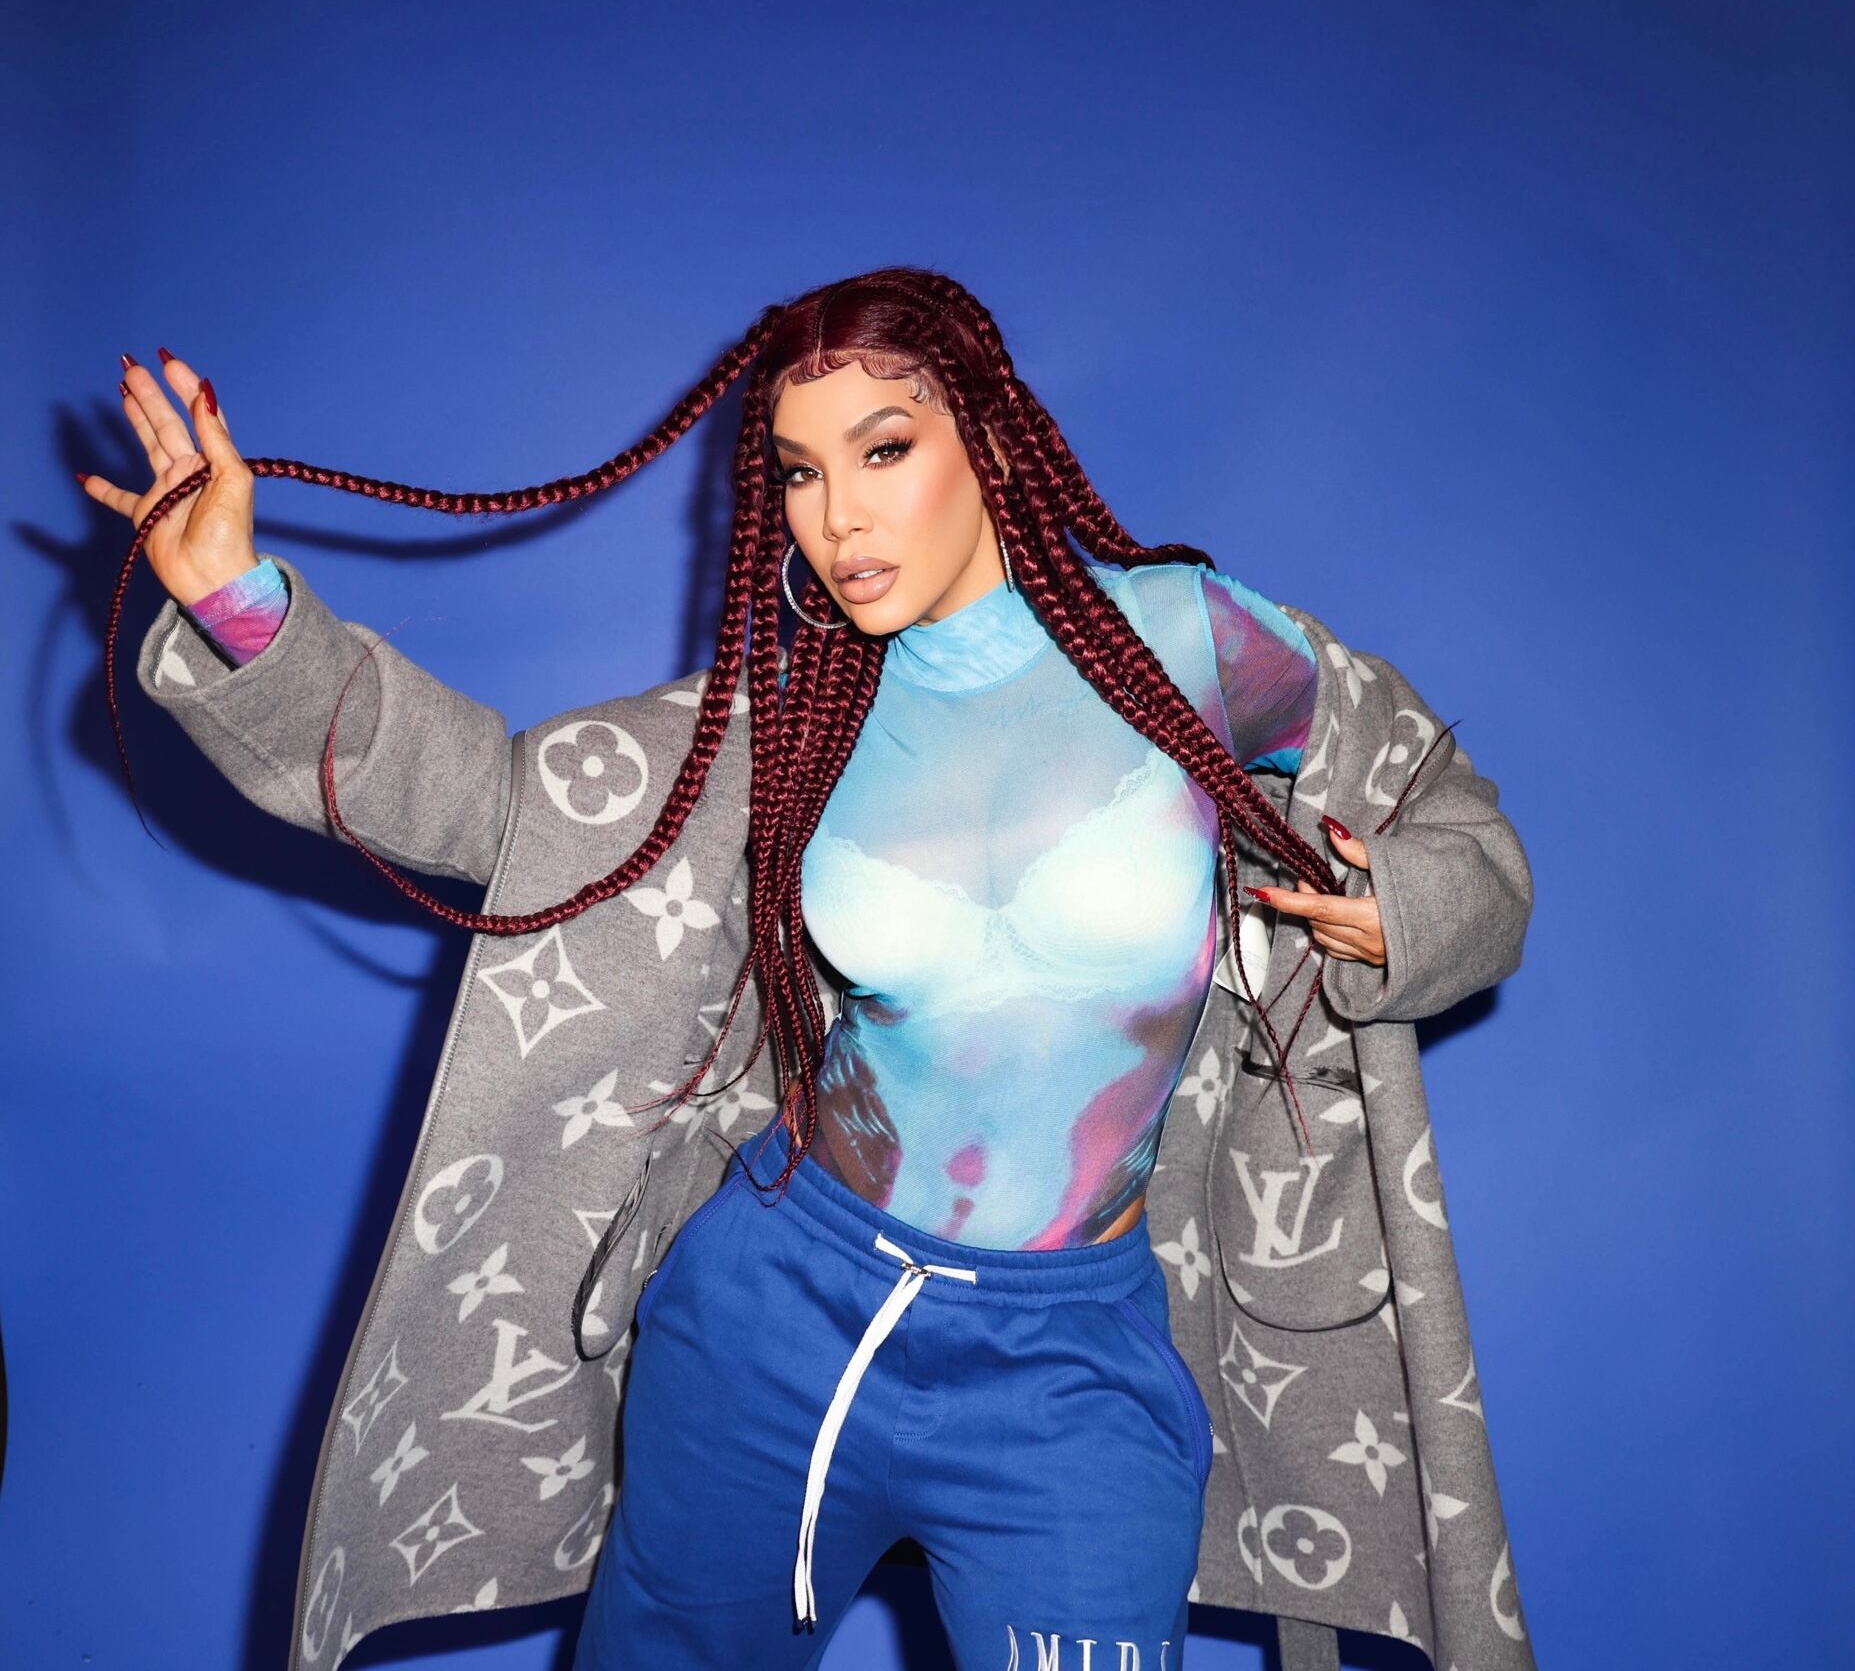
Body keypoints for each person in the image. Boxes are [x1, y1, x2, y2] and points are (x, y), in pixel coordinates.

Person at [86, 269, 1418, 1668]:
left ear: (992, 439)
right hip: (778, 1310)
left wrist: (1407, 911)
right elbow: (487, 800)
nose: (836, 517)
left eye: (883, 449)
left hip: (1067, 1361)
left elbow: (1437, 803)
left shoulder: (1192, 644)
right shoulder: (790, 726)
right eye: (798, 471)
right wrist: (240, 601)